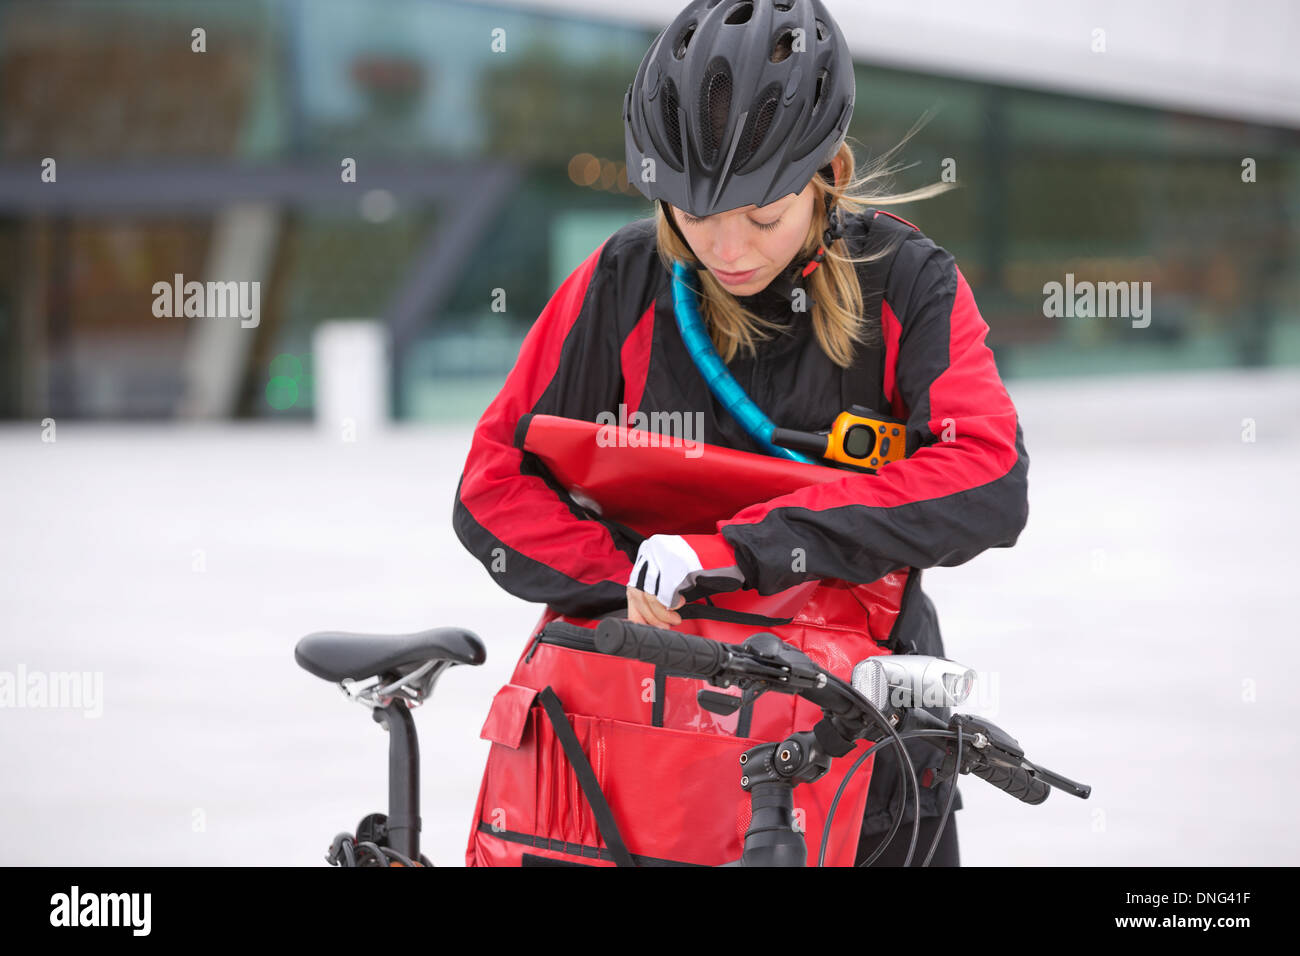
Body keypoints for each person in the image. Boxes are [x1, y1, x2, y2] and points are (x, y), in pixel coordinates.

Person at [453, 0, 1028, 866]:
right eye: (692, 210)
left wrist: (752, 548)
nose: (726, 247)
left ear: (827, 172)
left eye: (762, 214)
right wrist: (628, 583)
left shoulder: (906, 283)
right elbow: (491, 484)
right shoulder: (624, 279)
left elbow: (988, 475)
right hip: (650, 718)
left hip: (858, 730)